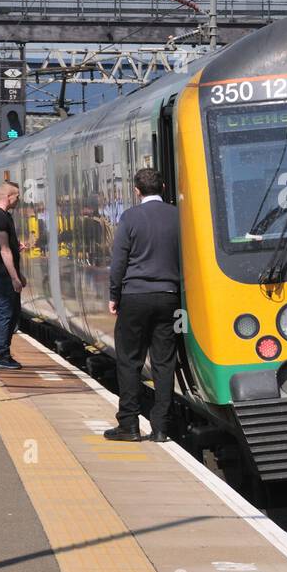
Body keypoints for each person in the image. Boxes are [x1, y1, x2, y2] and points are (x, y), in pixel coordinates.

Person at [105, 168, 181, 444]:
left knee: (129, 361)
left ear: (137, 191)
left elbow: (118, 263)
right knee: (164, 362)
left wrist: (114, 295)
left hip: (134, 297)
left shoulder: (130, 217)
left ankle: (129, 425)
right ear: (162, 185)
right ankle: (161, 428)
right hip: (168, 296)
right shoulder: (177, 216)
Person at [0, 181, 26, 370]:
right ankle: (2, 355)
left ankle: (5, 353)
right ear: (9, 196)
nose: (18, 200)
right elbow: (4, 250)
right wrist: (15, 277)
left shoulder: (3, 216)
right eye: (17, 196)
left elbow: (10, 249)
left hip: (6, 273)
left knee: (13, 312)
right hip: (4, 274)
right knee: (6, 312)